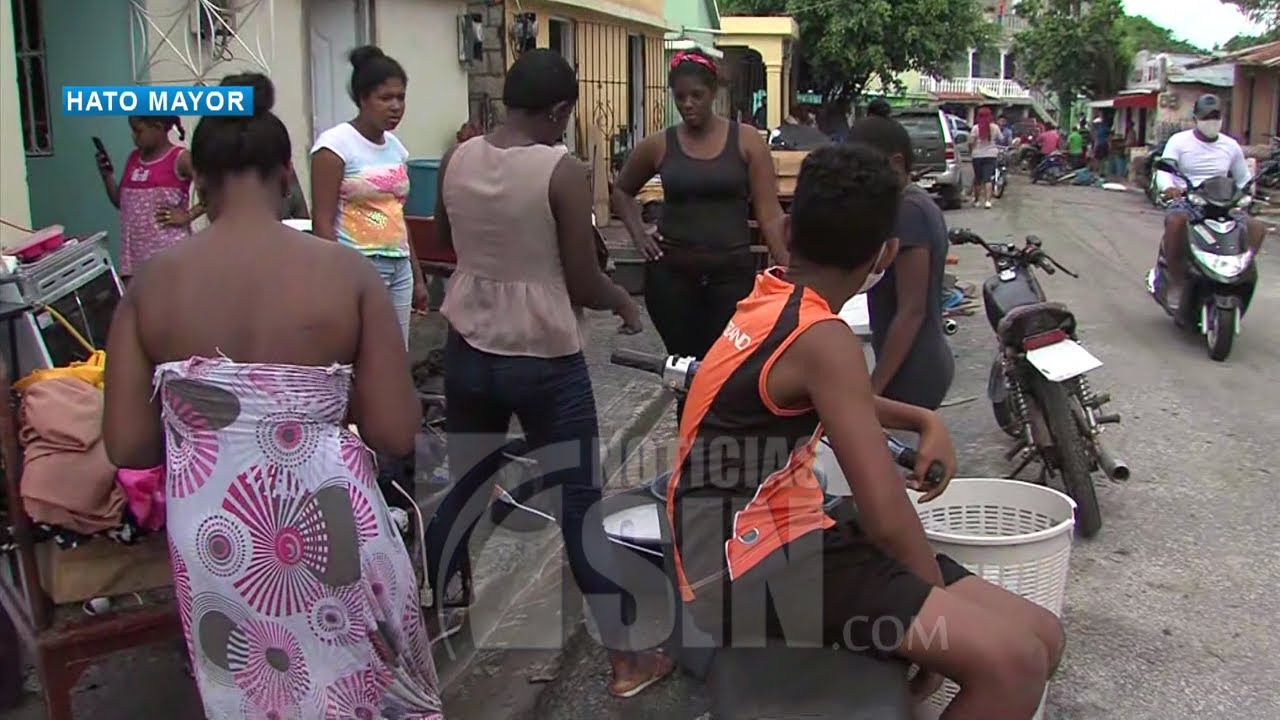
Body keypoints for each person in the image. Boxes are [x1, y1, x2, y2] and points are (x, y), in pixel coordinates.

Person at [666, 142, 1064, 719]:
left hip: (783, 535)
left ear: (788, 227)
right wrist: (931, 620)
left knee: (1042, 635)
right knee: (1016, 665)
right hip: (750, 569)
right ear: (886, 254)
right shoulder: (822, 336)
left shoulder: (774, 295)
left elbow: (826, 396)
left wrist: (921, 418)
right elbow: (885, 512)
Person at [101, 73, 443, 720]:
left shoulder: (151, 286)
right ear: (287, 172)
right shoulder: (345, 273)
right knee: (356, 697)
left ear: (197, 179)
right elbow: (396, 434)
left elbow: (128, 444)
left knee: (259, 699)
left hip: (217, 542)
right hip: (334, 526)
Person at [424, 49, 672, 699]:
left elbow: (444, 236)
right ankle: (626, 663)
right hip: (543, 360)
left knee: (469, 488)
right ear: (560, 110)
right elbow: (585, 281)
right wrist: (624, 303)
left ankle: (418, 624)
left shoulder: (459, 157)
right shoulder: (563, 171)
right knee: (580, 509)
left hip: (468, 347)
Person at [612, 49, 788, 386]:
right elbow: (621, 191)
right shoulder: (660, 145)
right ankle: (688, 436)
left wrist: (788, 271)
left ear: (714, 92)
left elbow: (770, 214)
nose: (688, 104)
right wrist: (639, 235)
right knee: (685, 373)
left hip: (730, 276)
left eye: (697, 95)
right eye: (680, 97)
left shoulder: (747, 141)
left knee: (725, 371)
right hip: (672, 279)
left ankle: (716, 436)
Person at [311, 45, 429, 346]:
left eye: (401, 97)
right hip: (357, 266)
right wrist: (332, 278)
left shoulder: (395, 148)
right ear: (363, 99)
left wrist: (417, 275)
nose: (395, 106)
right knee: (359, 351)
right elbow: (322, 221)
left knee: (395, 351)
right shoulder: (335, 146)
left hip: (399, 265)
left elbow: (397, 213)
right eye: (385, 98)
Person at [847, 115, 954, 410]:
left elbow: (912, 311)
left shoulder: (909, 212)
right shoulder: (907, 205)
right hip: (909, 361)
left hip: (914, 368)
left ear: (895, 163)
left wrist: (873, 391)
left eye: (864, 170)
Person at [1155, 93, 1265, 310]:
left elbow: (1243, 178)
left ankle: (1239, 272)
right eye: (1207, 116)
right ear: (1196, 118)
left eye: (1216, 116)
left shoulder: (1230, 146)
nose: (1212, 121)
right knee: (1176, 222)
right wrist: (1169, 188)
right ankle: (1177, 280)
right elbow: (1164, 171)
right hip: (1189, 199)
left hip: (1223, 201)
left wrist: (1248, 194)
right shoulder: (1179, 141)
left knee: (1256, 228)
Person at [96, 115, 203, 284]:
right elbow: (121, 202)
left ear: (158, 128)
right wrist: (107, 176)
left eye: (138, 131)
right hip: (134, 261)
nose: (133, 136)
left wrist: (188, 215)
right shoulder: (133, 159)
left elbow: (214, 188)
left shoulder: (180, 158)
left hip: (170, 259)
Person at [968, 107, 1001, 209]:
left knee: (978, 179)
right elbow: (1001, 139)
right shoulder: (995, 127)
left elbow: (970, 142)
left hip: (977, 155)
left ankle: (977, 201)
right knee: (988, 179)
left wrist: (971, 151)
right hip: (991, 155)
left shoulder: (976, 128)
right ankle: (988, 202)